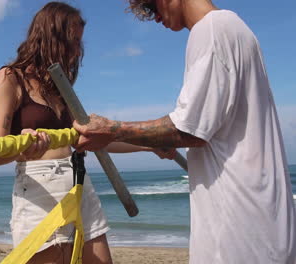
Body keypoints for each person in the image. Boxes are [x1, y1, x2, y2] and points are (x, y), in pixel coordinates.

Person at [73, 0, 296, 263]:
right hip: (261, 219)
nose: (153, 17)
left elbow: (188, 130)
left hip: (240, 228)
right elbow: (208, 125)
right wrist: (155, 139)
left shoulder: (211, 30)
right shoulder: (234, 28)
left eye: (149, 6)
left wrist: (111, 129)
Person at [0, 2, 174, 263]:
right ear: (51, 36)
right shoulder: (10, 78)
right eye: (73, 41)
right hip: (39, 191)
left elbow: (96, 139)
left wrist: (150, 146)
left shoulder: (60, 90)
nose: (77, 51)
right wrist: (21, 144)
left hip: (79, 183)